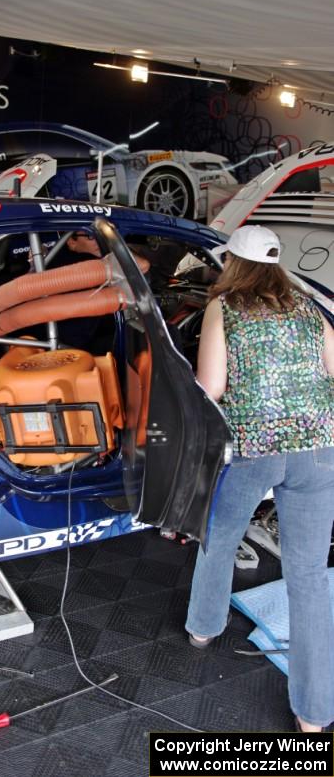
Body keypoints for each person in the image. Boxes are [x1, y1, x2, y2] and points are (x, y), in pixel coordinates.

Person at [184, 225, 334, 733]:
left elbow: (211, 387)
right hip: (320, 451)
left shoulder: (223, 309)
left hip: (256, 449)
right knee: (310, 576)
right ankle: (314, 714)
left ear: (233, 263)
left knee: (221, 537)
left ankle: (204, 629)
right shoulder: (310, 309)